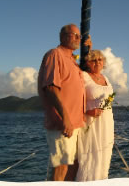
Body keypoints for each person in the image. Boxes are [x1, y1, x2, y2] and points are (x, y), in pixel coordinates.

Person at [38, 24, 92, 181]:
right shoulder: (55, 54)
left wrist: (89, 49)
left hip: (75, 123)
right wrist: (65, 119)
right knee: (61, 167)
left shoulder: (72, 61)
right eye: (74, 35)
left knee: (72, 165)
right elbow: (51, 88)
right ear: (62, 37)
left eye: (79, 36)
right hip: (63, 123)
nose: (77, 38)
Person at [76, 50, 114, 181]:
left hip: (107, 123)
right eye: (93, 60)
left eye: (100, 59)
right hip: (91, 123)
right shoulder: (83, 76)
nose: (97, 62)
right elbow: (74, 100)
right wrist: (88, 110)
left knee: (104, 158)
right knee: (90, 159)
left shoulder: (106, 78)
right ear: (88, 63)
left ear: (104, 62)